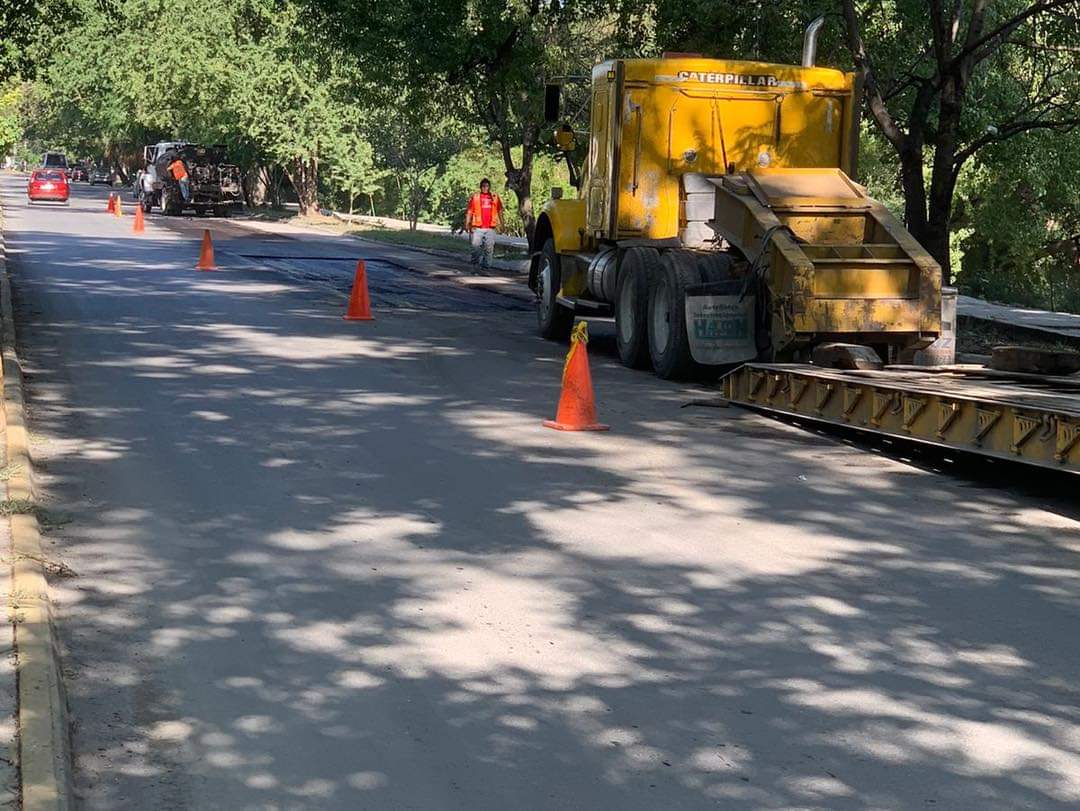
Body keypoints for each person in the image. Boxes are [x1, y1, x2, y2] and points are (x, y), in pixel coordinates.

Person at [465, 178, 503, 269]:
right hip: (477, 227)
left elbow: (500, 211)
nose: (485, 188)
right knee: (475, 248)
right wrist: (467, 223)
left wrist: (502, 224)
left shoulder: (494, 197)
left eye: (487, 186)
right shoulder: (475, 197)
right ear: (480, 187)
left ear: (489, 187)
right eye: (483, 186)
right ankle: (475, 264)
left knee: (489, 248)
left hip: (490, 228)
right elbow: (469, 211)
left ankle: (486, 266)